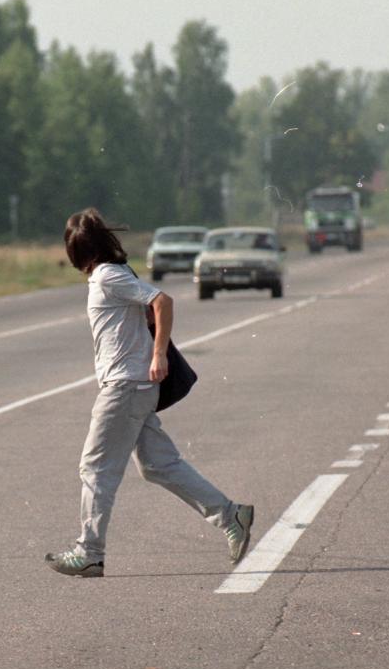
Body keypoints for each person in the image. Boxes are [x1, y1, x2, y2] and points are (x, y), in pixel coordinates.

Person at [44, 208, 254, 578]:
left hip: (124, 388)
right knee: (158, 465)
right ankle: (229, 515)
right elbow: (148, 313)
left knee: (95, 467)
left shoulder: (108, 275)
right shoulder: (117, 274)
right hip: (135, 387)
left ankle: (89, 552)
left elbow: (162, 301)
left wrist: (158, 354)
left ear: (77, 252)